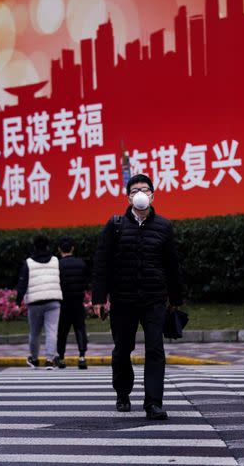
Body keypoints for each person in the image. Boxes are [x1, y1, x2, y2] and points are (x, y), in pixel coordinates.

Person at [92, 174, 184, 421]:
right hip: (123, 300)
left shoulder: (163, 226)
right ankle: (123, 392)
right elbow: (102, 263)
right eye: (134, 191)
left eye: (144, 190)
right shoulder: (116, 224)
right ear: (128, 197)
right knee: (123, 349)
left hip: (154, 299)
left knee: (155, 349)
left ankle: (153, 403)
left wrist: (175, 298)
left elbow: (172, 264)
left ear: (153, 195)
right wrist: (99, 298)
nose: (139, 194)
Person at [16, 234, 62, 369]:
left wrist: (18, 301)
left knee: (35, 333)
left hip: (35, 303)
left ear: (34, 246)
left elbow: (22, 284)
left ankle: (34, 359)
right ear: (48, 245)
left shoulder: (28, 262)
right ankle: (49, 360)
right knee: (52, 331)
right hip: (53, 301)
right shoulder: (55, 260)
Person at [55, 236, 90, 370]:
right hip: (78, 302)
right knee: (80, 329)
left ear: (59, 249)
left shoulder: (58, 265)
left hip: (63, 303)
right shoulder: (81, 263)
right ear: (73, 248)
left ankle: (62, 358)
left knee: (62, 331)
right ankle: (82, 357)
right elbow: (86, 281)